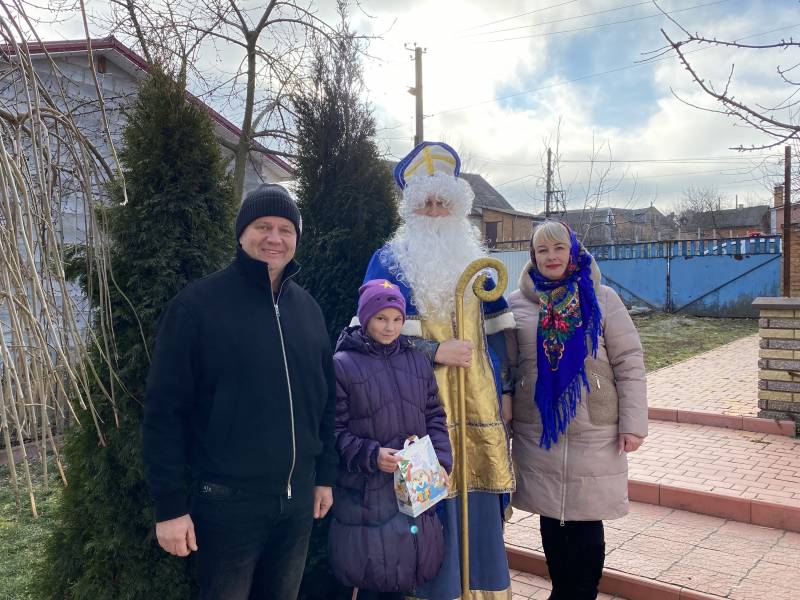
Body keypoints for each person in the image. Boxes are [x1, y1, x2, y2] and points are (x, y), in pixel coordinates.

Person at [141, 183, 338, 600]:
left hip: (297, 503)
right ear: (241, 233)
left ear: (297, 238)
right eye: (262, 226)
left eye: (286, 229)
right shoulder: (197, 307)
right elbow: (164, 414)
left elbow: (325, 402)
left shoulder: (309, 310)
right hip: (228, 507)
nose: (274, 238)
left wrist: (324, 477)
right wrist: (171, 509)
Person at [357, 142, 516, 599]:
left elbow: (500, 337)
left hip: (478, 410)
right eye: (425, 200)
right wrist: (434, 350)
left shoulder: (479, 263)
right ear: (411, 206)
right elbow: (369, 339)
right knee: (424, 514)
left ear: (456, 204)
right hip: (415, 414)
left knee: (477, 507)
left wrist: (504, 391)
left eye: (441, 200)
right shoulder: (388, 261)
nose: (433, 209)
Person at [506, 219, 648, 600]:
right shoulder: (517, 304)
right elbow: (506, 367)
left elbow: (629, 361)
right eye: (542, 250)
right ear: (532, 257)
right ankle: (561, 592)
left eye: (558, 248)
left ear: (573, 252)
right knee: (551, 519)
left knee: (586, 524)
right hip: (539, 429)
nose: (551, 257)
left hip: (594, 428)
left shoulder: (602, 298)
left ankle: (581, 593)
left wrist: (633, 424)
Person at [328, 279, 453, 600]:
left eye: (397, 319)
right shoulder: (343, 365)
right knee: (374, 578)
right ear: (366, 317)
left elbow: (435, 417)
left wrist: (441, 463)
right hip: (369, 494)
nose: (390, 327)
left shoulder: (416, 361)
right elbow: (333, 431)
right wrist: (371, 454)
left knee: (405, 575)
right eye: (381, 318)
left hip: (415, 487)